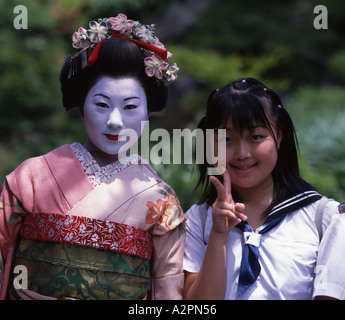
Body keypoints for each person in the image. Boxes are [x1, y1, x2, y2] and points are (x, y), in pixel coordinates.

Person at [0, 12, 185, 300]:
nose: (114, 120)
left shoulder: (162, 201)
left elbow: (167, 287)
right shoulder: (30, 178)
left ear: (146, 114)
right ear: (81, 106)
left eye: (130, 107)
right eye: (101, 104)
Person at [183, 77, 345, 300]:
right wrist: (218, 235)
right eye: (227, 139)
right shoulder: (198, 221)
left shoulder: (325, 219)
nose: (242, 153)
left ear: (279, 136)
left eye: (256, 137)